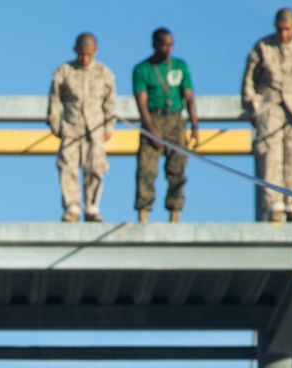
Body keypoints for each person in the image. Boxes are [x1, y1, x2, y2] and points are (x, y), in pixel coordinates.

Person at [241, 8, 292, 223]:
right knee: (270, 156)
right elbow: (249, 79)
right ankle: (274, 206)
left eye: (286, 30)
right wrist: (253, 106)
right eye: (279, 30)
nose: (283, 34)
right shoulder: (262, 46)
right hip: (270, 107)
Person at [48, 32, 117, 223]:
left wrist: (109, 126)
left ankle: (92, 208)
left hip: (95, 128)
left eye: (88, 54)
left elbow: (110, 103)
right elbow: (54, 99)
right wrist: (55, 123)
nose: (84, 58)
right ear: (75, 50)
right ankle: (72, 207)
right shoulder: (64, 71)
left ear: (95, 52)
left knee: (95, 167)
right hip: (71, 127)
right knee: (68, 167)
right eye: (81, 54)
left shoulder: (105, 73)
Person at [133, 27, 199, 224]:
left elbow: (189, 98)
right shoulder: (142, 69)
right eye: (163, 45)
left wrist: (195, 126)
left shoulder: (180, 66)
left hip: (175, 120)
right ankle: (144, 211)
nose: (167, 49)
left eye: (170, 45)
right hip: (152, 119)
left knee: (178, 167)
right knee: (146, 169)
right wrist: (151, 131)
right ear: (154, 45)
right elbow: (141, 103)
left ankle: (175, 211)